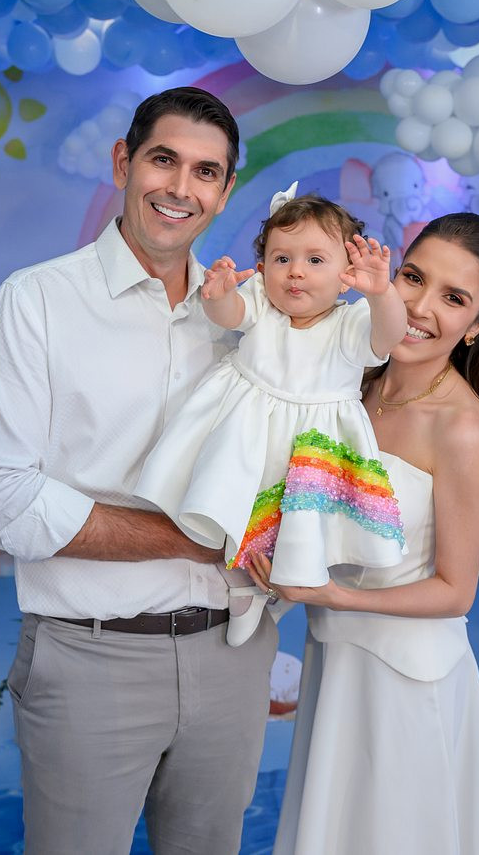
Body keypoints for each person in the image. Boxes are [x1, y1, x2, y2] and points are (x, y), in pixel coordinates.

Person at [0, 87, 277, 855]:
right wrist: (191, 540)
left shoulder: (252, 319)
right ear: (124, 163)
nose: (181, 188)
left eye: (206, 172)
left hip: (232, 656)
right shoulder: (37, 302)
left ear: (226, 189)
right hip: (91, 658)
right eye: (164, 160)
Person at [253, 212, 479, 855]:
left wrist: (334, 596)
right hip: (334, 658)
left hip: (406, 678)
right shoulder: (352, 383)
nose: (421, 308)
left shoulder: (460, 425)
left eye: (453, 298)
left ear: (477, 325)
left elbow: (456, 591)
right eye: (414, 278)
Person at [136, 186, 409, 648]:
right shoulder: (263, 303)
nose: (295, 271)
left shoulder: (351, 323)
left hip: (310, 448)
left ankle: (275, 589)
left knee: (298, 527)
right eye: (282, 259)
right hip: (249, 432)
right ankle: (245, 585)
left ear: (347, 277)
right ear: (263, 270)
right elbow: (232, 316)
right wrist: (219, 295)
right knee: (237, 505)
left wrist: (382, 293)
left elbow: (391, 333)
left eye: (315, 260)